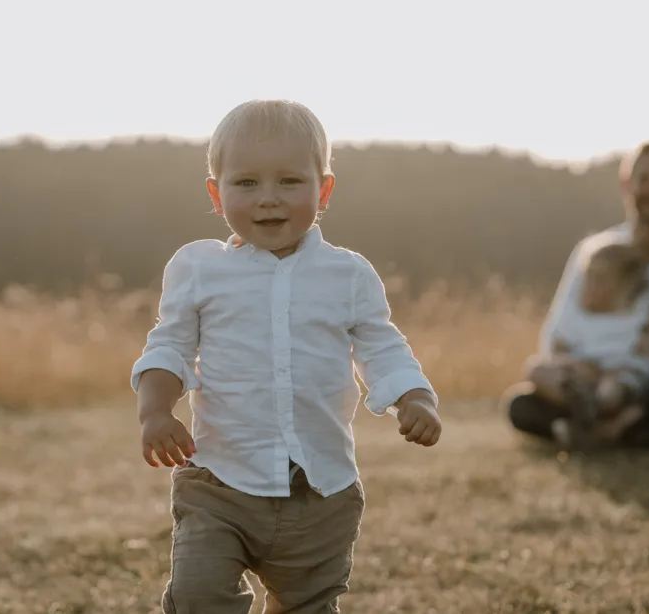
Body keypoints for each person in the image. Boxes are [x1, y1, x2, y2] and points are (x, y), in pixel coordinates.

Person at [129, 99, 442, 613]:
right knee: (197, 596)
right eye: (246, 183)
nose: (268, 199)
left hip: (321, 491)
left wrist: (414, 397)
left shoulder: (349, 274)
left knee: (307, 606)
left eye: (289, 182)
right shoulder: (198, 268)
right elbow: (170, 345)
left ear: (324, 190)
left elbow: (382, 346)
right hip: (220, 483)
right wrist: (156, 411)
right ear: (216, 192)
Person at [506, 141, 649, 445]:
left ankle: (612, 424)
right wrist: (584, 370)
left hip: (645, 381)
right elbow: (556, 335)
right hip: (586, 381)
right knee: (519, 405)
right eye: (645, 179)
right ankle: (614, 429)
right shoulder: (593, 254)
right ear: (627, 185)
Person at [521, 242, 649, 449]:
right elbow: (557, 351)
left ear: (625, 283)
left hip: (617, 378)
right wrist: (579, 368)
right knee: (535, 369)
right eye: (589, 276)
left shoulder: (642, 314)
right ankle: (586, 415)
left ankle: (588, 420)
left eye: (602, 278)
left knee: (609, 391)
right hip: (576, 378)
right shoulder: (576, 315)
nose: (592, 284)